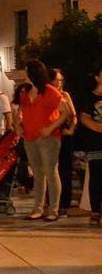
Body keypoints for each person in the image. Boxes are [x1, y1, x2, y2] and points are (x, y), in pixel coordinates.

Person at [16, 59, 66, 221]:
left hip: (49, 138)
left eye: (26, 70)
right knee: (37, 174)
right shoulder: (24, 92)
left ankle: (53, 210)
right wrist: (18, 124)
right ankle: (37, 208)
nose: (23, 73)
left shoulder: (50, 91)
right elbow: (21, 112)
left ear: (33, 72)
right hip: (30, 137)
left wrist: (50, 128)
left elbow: (66, 112)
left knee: (51, 172)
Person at [73, 64, 102, 226]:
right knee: (96, 178)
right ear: (97, 78)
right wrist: (99, 128)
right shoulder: (89, 98)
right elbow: (85, 118)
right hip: (96, 143)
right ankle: (95, 211)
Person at [51, 68, 77, 216]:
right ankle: (53, 201)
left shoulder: (65, 95)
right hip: (52, 134)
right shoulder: (47, 95)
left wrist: (71, 129)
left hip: (64, 133)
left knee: (65, 169)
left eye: (61, 80)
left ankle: (64, 203)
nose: (59, 83)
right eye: (56, 80)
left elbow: (73, 115)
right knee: (52, 169)